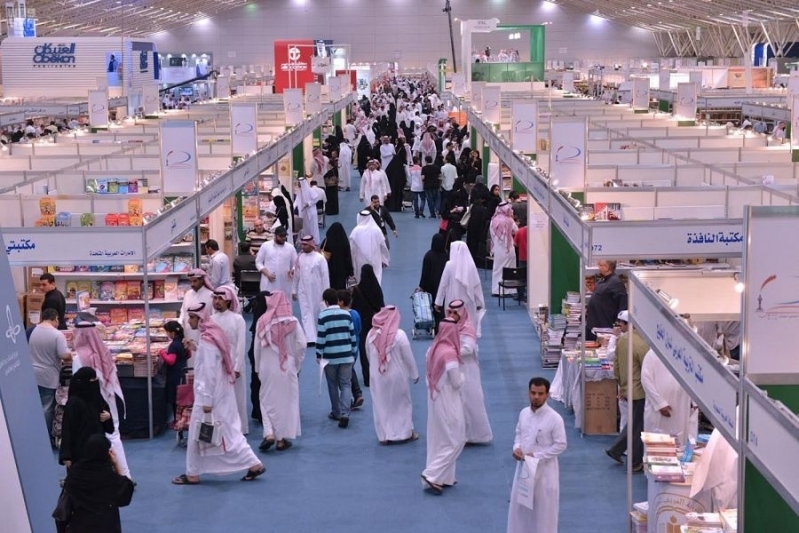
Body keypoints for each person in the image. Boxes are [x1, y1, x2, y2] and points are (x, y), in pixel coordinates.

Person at [172, 302, 264, 484]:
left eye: (192, 317)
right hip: (219, 392)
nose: (189, 321)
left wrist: (206, 401)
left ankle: (193, 473)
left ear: (201, 319)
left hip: (210, 395)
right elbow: (214, 358)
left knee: (206, 432)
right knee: (225, 430)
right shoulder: (211, 336)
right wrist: (196, 347)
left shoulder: (208, 340)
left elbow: (208, 373)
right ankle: (251, 463)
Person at [72, 315, 130, 478]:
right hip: (109, 400)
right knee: (114, 435)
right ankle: (124, 475)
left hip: (91, 405)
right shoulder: (104, 353)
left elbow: (79, 385)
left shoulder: (78, 359)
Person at [507, 377, 567, 533]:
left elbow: (561, 444)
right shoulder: (524, 413)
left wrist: (538, 456)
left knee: (544, 511)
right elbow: (519, 434)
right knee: (521, 510)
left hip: (545, 471)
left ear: (547, 395)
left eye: (540, 394)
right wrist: (516, 448)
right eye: (533, 393)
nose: (536, 397)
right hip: (525, 469)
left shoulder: (555, 419)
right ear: (528, 393)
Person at [254, 291, 306, 452]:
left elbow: (257, 348)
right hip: (287, 366)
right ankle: (281, 439)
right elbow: (302, 345)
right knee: (285, 402)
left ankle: (269, 433)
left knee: (265, 399)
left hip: (267, 366)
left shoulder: (262, 321)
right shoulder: (293, 322)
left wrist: (257, 368)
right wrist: (296, 362)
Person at [421, 318, 465, 495]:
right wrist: (463, 377)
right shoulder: (450, 354)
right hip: (449, 401)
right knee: (457, 438)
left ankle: (444, 477)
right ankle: (431, 474)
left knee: (440, 438)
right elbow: (456, 382)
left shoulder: (433, 348)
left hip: (434, 399)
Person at [366, 305, 419, 444]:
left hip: (377, 376)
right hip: (397, 376)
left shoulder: (371, 334)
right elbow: (408, 357)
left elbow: (368, 355)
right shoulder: (400, 335)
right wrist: (414, 374)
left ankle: (384, 436)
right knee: (402, 404)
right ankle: (405, 433)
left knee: (381, 404)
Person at [61, 434, 135, 533]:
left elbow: (65, 504)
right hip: (107, 527)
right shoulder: (109, 477)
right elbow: (125, 496)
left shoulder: (75, 474)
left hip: (79, 527)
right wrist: (117, 464)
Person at [605, 310, 649, 472]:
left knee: (634, 424)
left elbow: (616, 365)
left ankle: (616, 449)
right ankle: (635, 462)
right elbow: (647, 368)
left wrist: (622, 386)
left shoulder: (623, 340)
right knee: (638, 427)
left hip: (628, 387)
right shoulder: (642, 343)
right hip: (640, 390)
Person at [447, 300, 492, 444]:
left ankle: (475, 435)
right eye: (450, 312)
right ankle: (461, 434)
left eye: (455, 313)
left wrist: (449, 353)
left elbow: (468, 349)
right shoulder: (449, 326)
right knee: (456, 401)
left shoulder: (468, 328)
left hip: (468, 369)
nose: (452, 315)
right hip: (455, 368)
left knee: (470, 400)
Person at [28, 308, 71, 442]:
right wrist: (71, 355)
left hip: (33, 373)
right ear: (55, 318)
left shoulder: (33, 331)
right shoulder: (57, 335)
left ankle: (34, 435)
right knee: (47, 408)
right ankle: (45, 439)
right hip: (48, 376)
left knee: (35, 406)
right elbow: (64, 355)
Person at [316, 288, 357, 429]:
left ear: (326, 302)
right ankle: (345, 413)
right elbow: (352, 336)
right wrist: (353, 352)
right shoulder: (346, 315)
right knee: (346, 384)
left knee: (332, 384)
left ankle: (336, 412)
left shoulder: (322, 316)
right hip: (346, 356)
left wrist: (318, 353)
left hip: (330, 357)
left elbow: (321, 337)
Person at [211, 286, 248, 436]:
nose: (217, 301)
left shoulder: (238, 320)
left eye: (220, 299)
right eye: (215, 298)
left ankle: (240, 428)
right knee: (219, 396)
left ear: (228, 301)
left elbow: (240, 345)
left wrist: (237, 367)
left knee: (237, 396)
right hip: (217, 363)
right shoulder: (211, 320)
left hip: (234, 362)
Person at [59, 367, 114, 469]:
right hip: (79, 451)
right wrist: (66, 455)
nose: (95, 383)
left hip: (98, 450)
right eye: (92, 380)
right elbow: (67, 429)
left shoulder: (97, 398)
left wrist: (108, 417)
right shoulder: (73, 403)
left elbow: (107, 422)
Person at [641, 349, 697, 445]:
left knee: (678, 444)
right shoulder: (652, 354)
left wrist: (694, 401)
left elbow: (693, 378)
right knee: (656, 445)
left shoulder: (685, 355)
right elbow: (646, 380)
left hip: (681, 406)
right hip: (658, 410)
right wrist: (660, 403)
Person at [435, 241, 485, 337]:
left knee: (453, 328)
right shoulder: (471, 265)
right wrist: (479, 303)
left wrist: (438, 302)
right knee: (468, 328)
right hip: (468, 303)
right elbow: (477, 285)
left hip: (452, 302)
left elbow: (443, 284)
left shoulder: (449, 265)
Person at [293, 235, 329, 342]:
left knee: (317, 312)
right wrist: (294, 290)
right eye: (302, 245)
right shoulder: (300, 258)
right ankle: (310, 338)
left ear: (311, 245)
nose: (303, 247)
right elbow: (296, 275)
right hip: (303, 289)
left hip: (317, 290)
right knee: (305, 313)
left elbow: (325, 276)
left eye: (305, 245)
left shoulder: (320, 258)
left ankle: (319, 335)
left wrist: (326, 293)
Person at [585, 260, 627, 341]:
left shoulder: (616, 283)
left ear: (607, 267)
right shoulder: (603, 280)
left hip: (604, 327)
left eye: (600, 265)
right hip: (594, 325)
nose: (598, 267)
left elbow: (623, 305)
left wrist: (618, 324)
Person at [179, 269, 215, 360]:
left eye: (195, 281)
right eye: (190, 281)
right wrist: (180, 323)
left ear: (202, 280)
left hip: (205, 335)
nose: (192, 284)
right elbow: (183, 311)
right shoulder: (187, 294)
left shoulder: (211, 295)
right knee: (190, 358)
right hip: (188, 332)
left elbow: (214, 317)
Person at [349, 209, 390, 284]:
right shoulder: (377, 230)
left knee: (361, 280)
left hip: (360, 261)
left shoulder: (355, 231)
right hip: (375, 260)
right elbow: (383, 247)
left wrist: (352, 262)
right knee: (375, 279)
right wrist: (385, 259)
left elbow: (352, 249)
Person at [255, 225, 297, 294]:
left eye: (284, 236)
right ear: (275, 236)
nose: (283, 238)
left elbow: (296, 264)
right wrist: (267, 273)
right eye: (281, 236)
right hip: (268, 282)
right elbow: (258, 262)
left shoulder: (290, 248)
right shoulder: (266, 246)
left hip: (285, 283)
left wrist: (292, 270)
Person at [490, 201, 518, 297]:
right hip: (508, 249)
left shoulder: (493, 221)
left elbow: (492, 236)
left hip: (497, 249)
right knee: (509, 269)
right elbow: (517, 231)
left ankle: (496, 290)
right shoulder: (510, 220)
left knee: (497, 269)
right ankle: (508, 291)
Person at [320, 222, 354, 290]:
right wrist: (351, 272)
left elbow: (321, 255)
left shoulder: (327, 241)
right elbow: (348, 258)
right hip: (342, 271)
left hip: (329, 270)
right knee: (341, 288)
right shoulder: (344, 242)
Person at [296, 177, 320, 245]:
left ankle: (314, 241)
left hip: (311, 212)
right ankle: (306, 240)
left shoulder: (310, 190)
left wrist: (308, 204)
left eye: (299, 183)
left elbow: (316, 198)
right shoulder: (299, 191)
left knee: (312, 228)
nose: (298, 185)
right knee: (305, 228)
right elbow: (297, 201)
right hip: (304, 213)